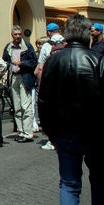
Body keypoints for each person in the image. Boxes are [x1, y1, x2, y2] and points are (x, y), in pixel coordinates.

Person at [38, 13, 104, 205]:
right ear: (87, 35)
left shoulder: (54, 62)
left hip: (65, 131)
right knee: (100, 182)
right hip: (96, 132)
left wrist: (50, 132)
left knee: (69, 184)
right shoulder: (98, 61)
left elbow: (44, 101)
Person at [2, 25, 37, 143]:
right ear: (12, 35)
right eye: (15, 34)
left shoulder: (27, 46)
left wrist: (22, 63)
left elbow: (33, 62)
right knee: (16, 106)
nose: (17, 36)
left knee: (25, 105)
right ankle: (21, 131)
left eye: (19, 34)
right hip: (13, 77)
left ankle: (28, 133)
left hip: (24, 77)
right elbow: (5, 61)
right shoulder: (8, 47)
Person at [37, 23, 64, 151]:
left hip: (52, 84)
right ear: (60, 31)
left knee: (52, 112)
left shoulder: (47, 46)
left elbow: (41, 68)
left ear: (48, 33)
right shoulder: (68, 43)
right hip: (68, 83)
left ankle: (53, 141)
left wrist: (41, 85)